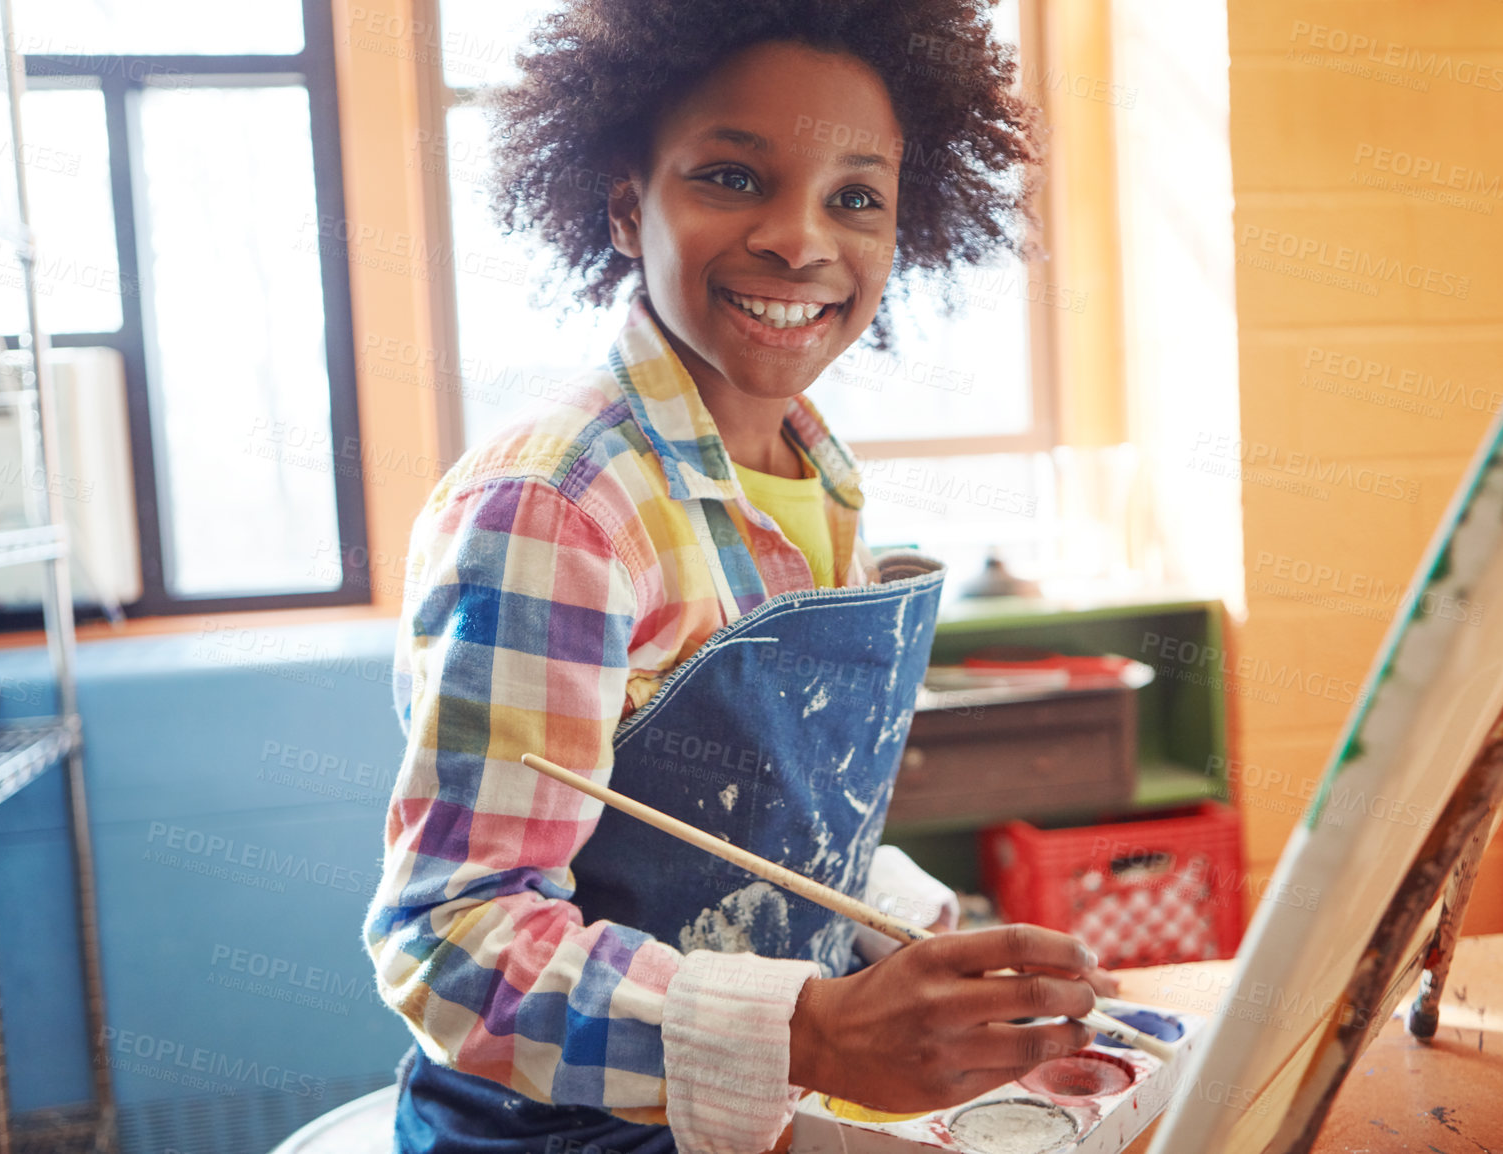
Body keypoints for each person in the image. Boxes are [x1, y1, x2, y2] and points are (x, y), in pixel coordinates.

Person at [363, 3, 1117, 1151]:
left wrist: (913, 939)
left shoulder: (818, 472)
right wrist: (812, 1030)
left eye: (855, 197)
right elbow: (452, 943)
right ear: (627, 204)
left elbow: (764, 839)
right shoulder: (557, 507)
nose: (799, 239)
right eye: (730, 176)